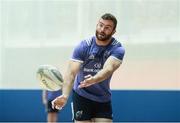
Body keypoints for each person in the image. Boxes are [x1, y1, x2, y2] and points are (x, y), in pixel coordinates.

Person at [52, 13, 125, 122]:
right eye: (100, 25)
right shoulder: (84, 46)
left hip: (103, 98)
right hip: (82, 95)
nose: (102, 30)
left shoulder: (117, 49)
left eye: (107, 28)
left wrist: (94, 79)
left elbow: (108, 69)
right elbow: (71, 73)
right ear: (96, 25)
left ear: (113, 32)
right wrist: (65, 95)